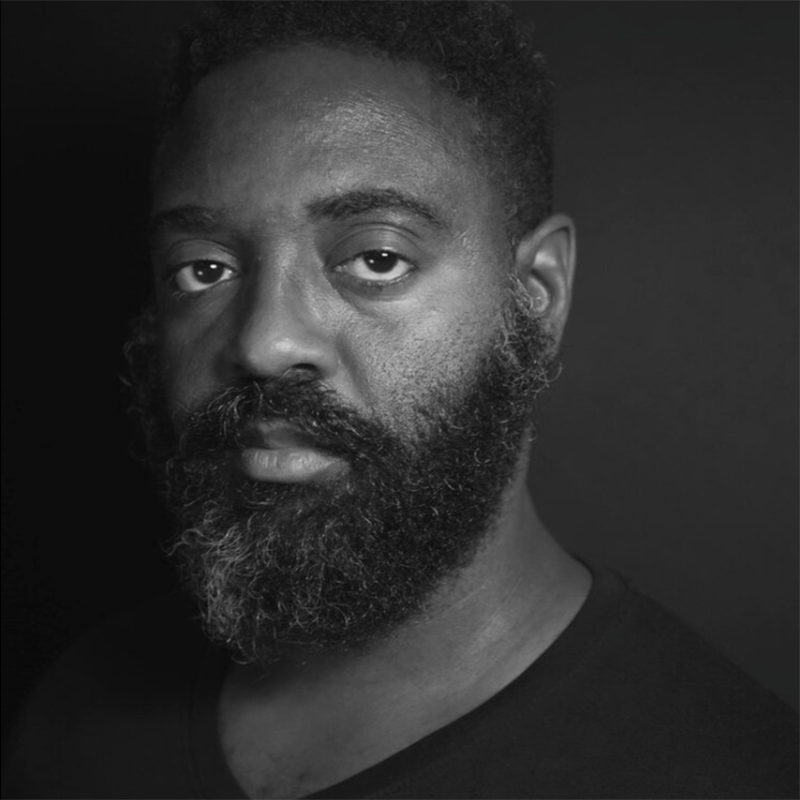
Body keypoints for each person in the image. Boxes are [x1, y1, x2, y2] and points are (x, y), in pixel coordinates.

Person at [2, 2, 797, 798]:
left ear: (536, 294)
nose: (264, 343)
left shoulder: (728, 775)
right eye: (204, 269)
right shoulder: (74, 719)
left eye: (377, 259)